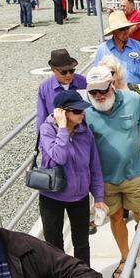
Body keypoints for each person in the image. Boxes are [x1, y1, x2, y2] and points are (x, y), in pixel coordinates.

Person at [83, 66, 140, 278]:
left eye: (102, 90)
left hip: (133, 174)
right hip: (105, 180)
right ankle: (125, 258)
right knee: (115, 217)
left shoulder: (132, 100)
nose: (98, 96)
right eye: (93, 92)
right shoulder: (85, 113)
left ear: (112, 85)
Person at [38, 89, 108, 266]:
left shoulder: (85, 132)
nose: (82, 114)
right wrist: (62, 129)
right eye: (77, 111)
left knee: (82, 243)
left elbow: (95, 166)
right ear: (62, 112)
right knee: (54, 245)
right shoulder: (47, 130)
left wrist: (99, 197)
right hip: (52, 197)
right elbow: (59, 157)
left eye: (83, 110)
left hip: (80, 196)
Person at [95, 10, 140, 106]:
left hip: (138, 97)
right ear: (114, 32)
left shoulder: (139, 47)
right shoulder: (102, 50)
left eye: (127, 28)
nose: (126, 32)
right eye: (121, 29)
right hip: (114, 101)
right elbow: (97, 78)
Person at [36, 48, 88, 130]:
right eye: (63, 72)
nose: (68, 75)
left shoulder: (83, 82)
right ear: (53, 70)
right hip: (57, 134)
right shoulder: (44, 88)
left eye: (71, 70)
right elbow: (42, 116)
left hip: (81, 133)